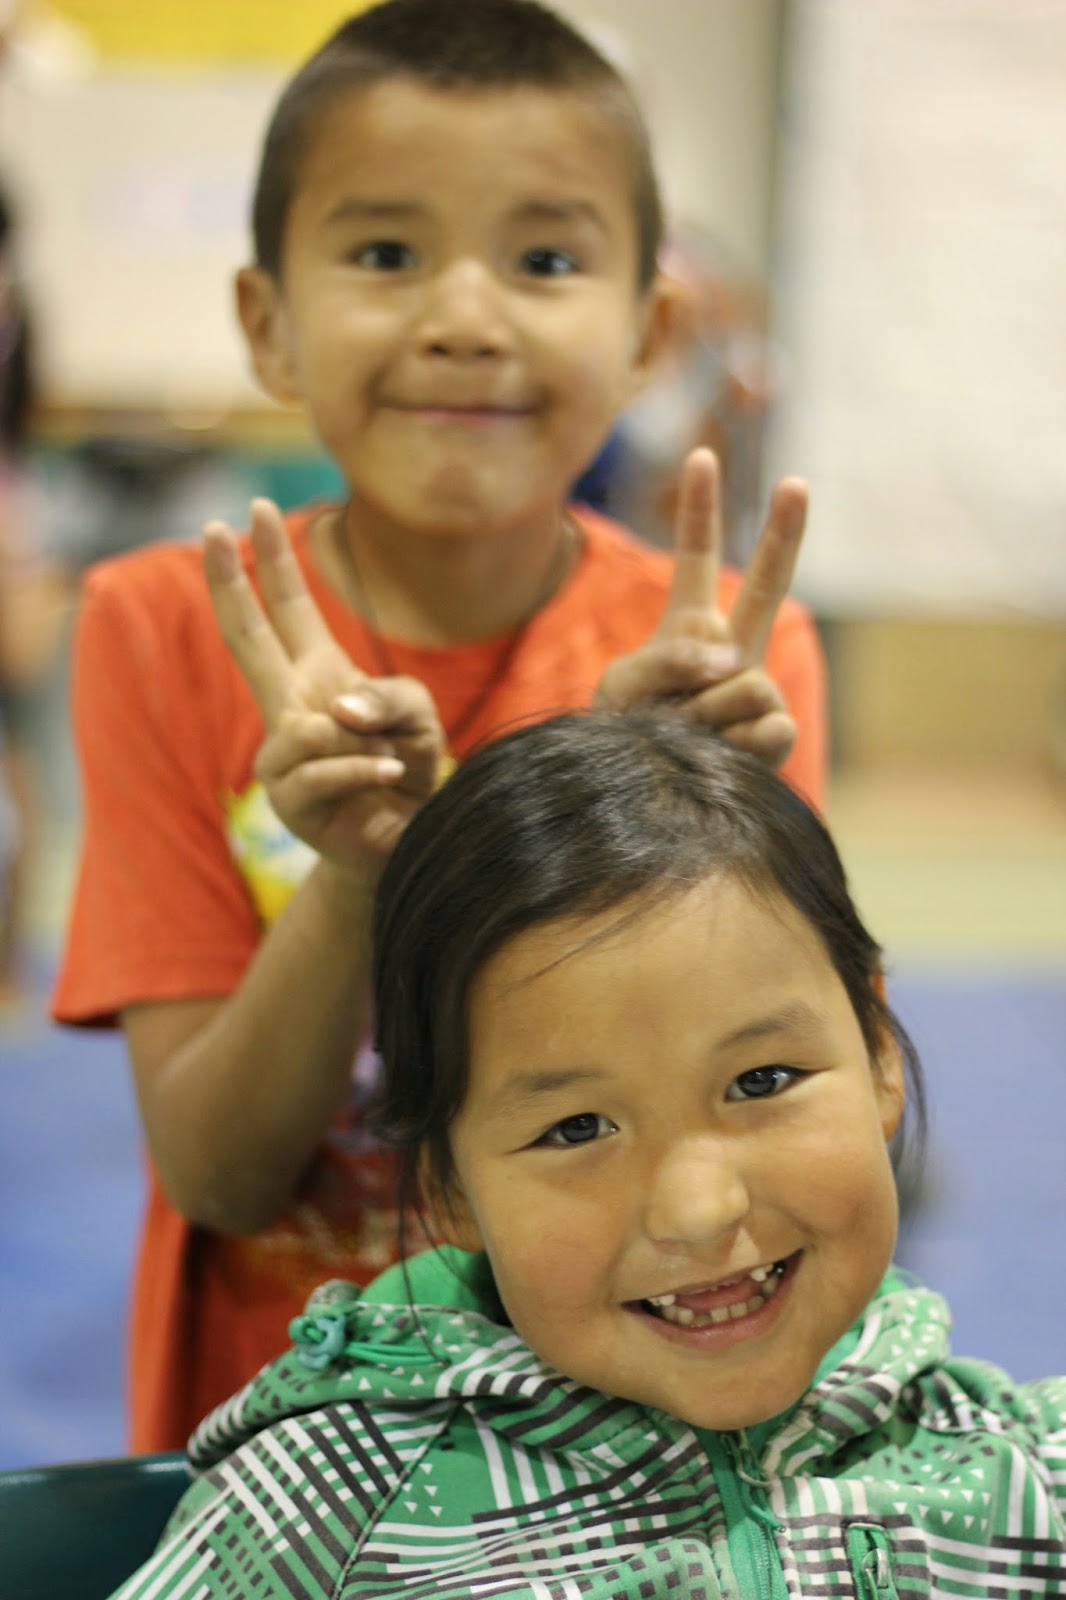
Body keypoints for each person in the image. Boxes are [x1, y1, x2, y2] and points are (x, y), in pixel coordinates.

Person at [52, 0, 826, 1450]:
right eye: (385, 253)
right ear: (268, 324)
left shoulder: (728, 661)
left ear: (649, 331)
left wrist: (646, 794)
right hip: (290, 1454)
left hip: (625, 1454)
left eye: (544, 260)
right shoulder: (160, 626)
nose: (464, 318)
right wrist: (355, 875)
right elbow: (217, 1174)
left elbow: (799, 1135)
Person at [106, 708, 1066, 1599]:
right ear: (445, 1188)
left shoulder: (1025, 1482)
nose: (699, 1209)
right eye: (576, 1129)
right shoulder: (316, 1518)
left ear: (881, 1055)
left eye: (762, 1080)